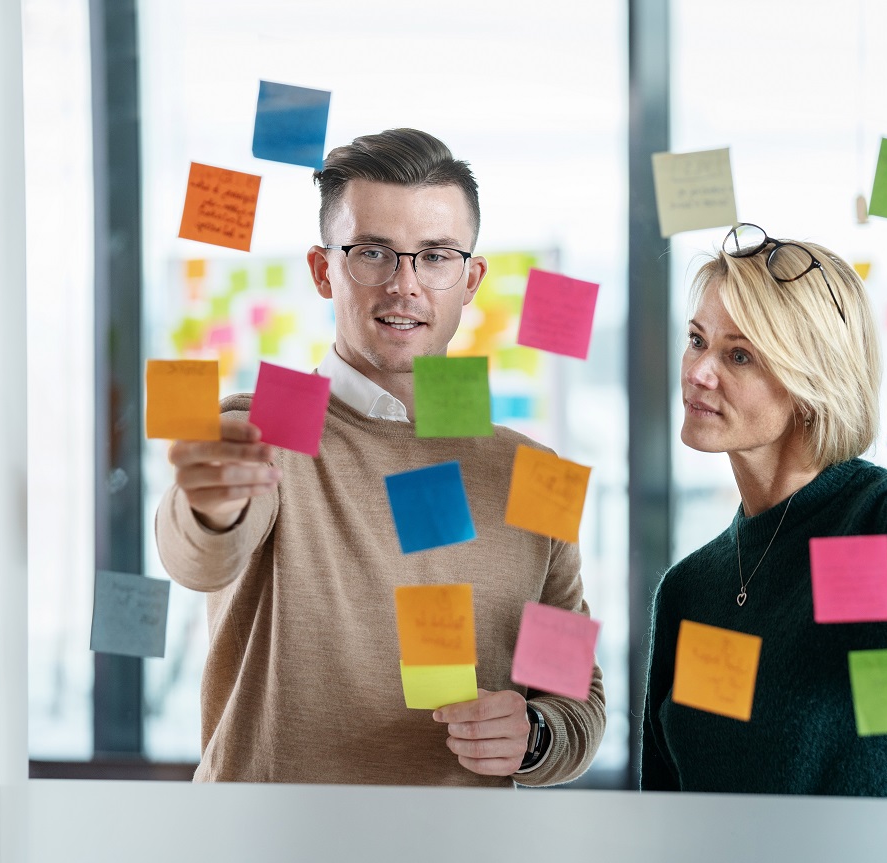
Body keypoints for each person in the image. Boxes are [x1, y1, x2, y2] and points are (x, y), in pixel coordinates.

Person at [155, 129, 605, 787]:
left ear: (471, 278)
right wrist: (209, 507)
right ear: (322, 269)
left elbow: (576, 698)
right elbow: (197, 553)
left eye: (435, 256)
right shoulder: (263, 424)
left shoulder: (532, 469)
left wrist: (533, 737)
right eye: (373, 253)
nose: (405, 285)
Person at [640, 223, 887, 797]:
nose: (698, 372)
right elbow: (665, 798)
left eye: (738, 355)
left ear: (810, 385)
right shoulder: (690, 588)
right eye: (697, 340)